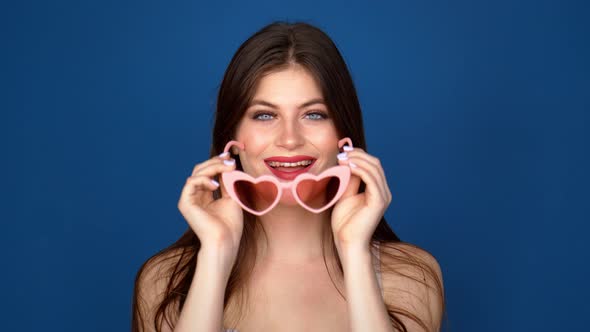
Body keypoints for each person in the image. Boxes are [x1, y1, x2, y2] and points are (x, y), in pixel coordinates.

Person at [132, 21, 445, 332]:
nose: (290, 139)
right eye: (265, 115)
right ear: (233, 137)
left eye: (314, 114)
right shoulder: (164, 281)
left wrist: (354, 252)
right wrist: (215, 253)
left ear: (343, 135)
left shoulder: (411, 276)